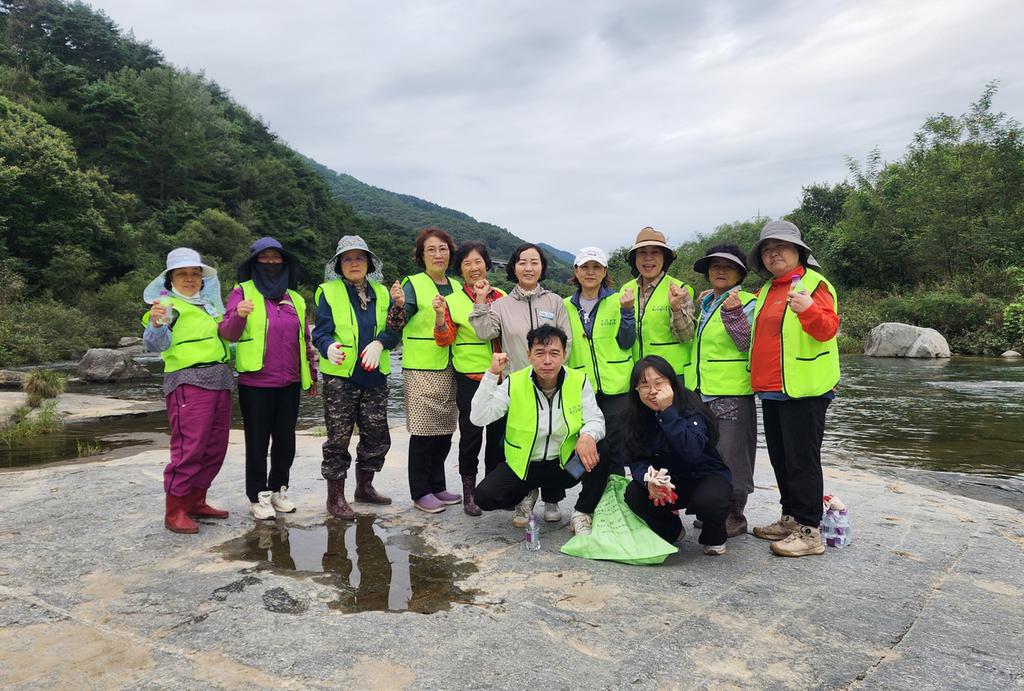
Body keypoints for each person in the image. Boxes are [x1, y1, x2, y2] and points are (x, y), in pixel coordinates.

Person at [746, 221, 840, 558]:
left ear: (798, 251)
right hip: (772, 388)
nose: (773, 254)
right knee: (781, 458)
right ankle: (790, 518)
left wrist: (810, 310)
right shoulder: (769, 290)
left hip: (806, 389)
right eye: (767, 250)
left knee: (803, 460)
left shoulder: (815, 285)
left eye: (780, 247)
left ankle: (809, 531)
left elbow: (828, 329)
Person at [469, 243, 574, 525]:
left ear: (542, 267)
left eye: (535, 262)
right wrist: (481, 301)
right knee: (522, 442)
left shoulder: (555, 302)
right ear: (513, 267)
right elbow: (483, 331)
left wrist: (554, 370)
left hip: (553, 383)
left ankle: (553, 496)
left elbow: (567, 342)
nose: (528, 267)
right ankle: (526, 497)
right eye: (523, 262)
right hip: (518, 385)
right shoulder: (500, 305)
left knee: (555, 437)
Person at [470, 325, 608, 536]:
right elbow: (479, 417)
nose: (547, 360)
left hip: (565, 468)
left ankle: (582, 512)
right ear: (529, 355)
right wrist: (491, 375)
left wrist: (587, 435)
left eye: (554, 353)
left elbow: (595, 418)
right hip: (525, 467)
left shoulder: (578, 381)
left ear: (564, 355)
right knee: (484, 497)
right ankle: (527, 494)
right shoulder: (514, 382)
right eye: (540, 353)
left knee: (603, 449)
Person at [220, 237, 317, 520]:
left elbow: (305, 339)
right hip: (256, 383)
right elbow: (228, 333)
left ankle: (278, 490)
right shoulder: (243, 292)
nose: (272, 263)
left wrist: (310, 376)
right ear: (254, 263)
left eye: (277, 258)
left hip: (290, 382)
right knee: (258, 442)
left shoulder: (295, 298)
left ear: (285, 264)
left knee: (286, 441)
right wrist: (238, 315)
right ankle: (257, 495)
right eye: (265, 259)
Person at [312, 235, 405, 519]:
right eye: (348, 259)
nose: (354, 263)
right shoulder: (327, 292)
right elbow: (320, 333)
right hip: (341, 377)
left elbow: (394, 330)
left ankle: (364, 488)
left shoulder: (384, 293)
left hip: (375, 375)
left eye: (359, 258)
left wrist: (381, 343)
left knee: (377, 436)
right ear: (339, 264)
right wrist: (328, 348)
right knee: (338, 440)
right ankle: (335, 497)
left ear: (368, 263)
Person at [142, 247, 232, 534]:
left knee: (214, 446)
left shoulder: (209, 306)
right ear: (170, 279)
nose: (191, 278)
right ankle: (175, 511)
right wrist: (156, 324)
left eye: (195, 273)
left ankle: (197, 500)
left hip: (219, 379)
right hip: (188, 381)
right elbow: (154, 345)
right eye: (183, 274)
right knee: (189, 448)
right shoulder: (168, 306)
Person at [622, 356, 732, 555]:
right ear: (635, 390)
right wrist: (649, 479)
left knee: (711, 499)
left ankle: (714, 535)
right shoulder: (634, 416)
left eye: (659, 383)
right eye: (644, 385)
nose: (653, 391)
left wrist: (667, 411)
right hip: (669, 482)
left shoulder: (690, 404)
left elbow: (692, 450)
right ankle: (671, 530)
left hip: (704, 475)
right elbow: (636, 458)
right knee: (633, 493)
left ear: (672, 383)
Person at [685, 244, 757, 537]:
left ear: (739, 272)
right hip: (702, 391)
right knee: (708, 453)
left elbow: (747, 344)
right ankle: (713, 508)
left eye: (727, 266)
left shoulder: (748, 302)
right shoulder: (707, 303)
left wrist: (735, 314)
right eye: (714, 266)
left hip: (732, 391)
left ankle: (734, 514)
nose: (720, 270)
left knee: (732, 455)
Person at [432, 240, 507, 516]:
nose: (474, 268)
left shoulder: (500, 296)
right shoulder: (451, 301)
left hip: (501, 378)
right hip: (471, 378)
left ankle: (493, 490)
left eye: (478, 262)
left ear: (486, 264)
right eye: (467, 264)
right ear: (460, 269)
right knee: (471, 437)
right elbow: (444, 339)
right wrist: (440, 317)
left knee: (499, 437)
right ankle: (469, 493)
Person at [398, 227, 463, 514]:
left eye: (443, 249)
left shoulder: (458, 287)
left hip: (452, 366)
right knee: (424, 433)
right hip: (422, 366)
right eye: (431, 250)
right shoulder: (412, 284)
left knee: (445, 431)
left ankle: (438, 485)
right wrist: (397, 306)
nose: (438, 254)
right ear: (421, 255)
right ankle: (420, 490)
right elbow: (398, 321)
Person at [563, 246, 635, 480]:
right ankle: (590, 498)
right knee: (588, 442)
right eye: (585, 267)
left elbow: (627, 342)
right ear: (576, 271)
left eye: (596, 267)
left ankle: (615, 497)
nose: (590, 272)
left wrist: (627, 313)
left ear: (604, 271)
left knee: (616, 446)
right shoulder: (564, 306)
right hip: (583, 387)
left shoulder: (619, 301)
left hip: (617, 385)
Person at [620, 227, 696, 384]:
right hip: (639, 376)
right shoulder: (626, 290)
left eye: (655, 252)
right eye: (642, 253)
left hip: (673, 375)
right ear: (635, 258)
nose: (648, 258)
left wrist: (675, 308)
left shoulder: (679, 289)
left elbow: (687, 335)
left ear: (664, 258)